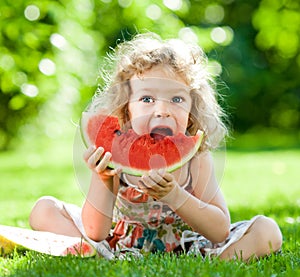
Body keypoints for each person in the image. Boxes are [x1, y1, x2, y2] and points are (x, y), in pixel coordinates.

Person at [29, 33, 282, 260]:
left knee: (267, 230)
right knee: (43, 209)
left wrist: (176, 196)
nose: (162, 111)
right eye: (147, 99)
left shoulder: (197, 159)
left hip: (190, 249)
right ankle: (100, 256)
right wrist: (103, 180)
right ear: (126, 108)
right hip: (120, 245)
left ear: (193, 109)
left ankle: (212, 262)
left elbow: (219, 230)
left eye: (176, 99)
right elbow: (96, 231)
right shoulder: (116, 157)